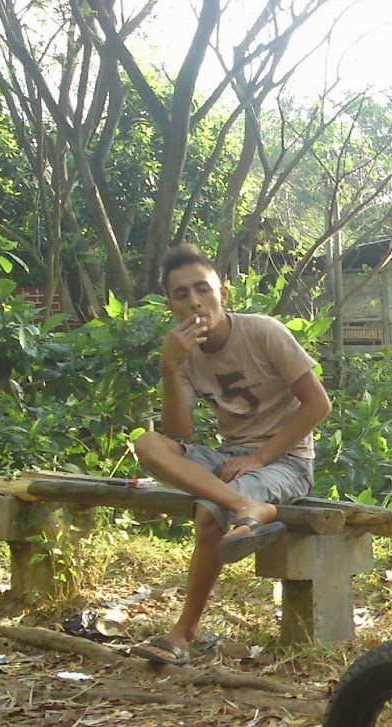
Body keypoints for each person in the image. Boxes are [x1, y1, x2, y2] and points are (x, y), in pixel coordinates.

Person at [129, 244, 332, 665]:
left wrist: (259, 459)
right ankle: (245, 505)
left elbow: (318, 404)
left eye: (202, 289)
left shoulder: (263, 332)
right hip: (230, 458)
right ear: (171, 305)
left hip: (287, 460)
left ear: (223, 292)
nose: (195, 302)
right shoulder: (182, 356)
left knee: (207, 515)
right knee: (148, 443)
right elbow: (179, 434)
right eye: (181, 294)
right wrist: (169, 368)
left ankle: (182, 634)